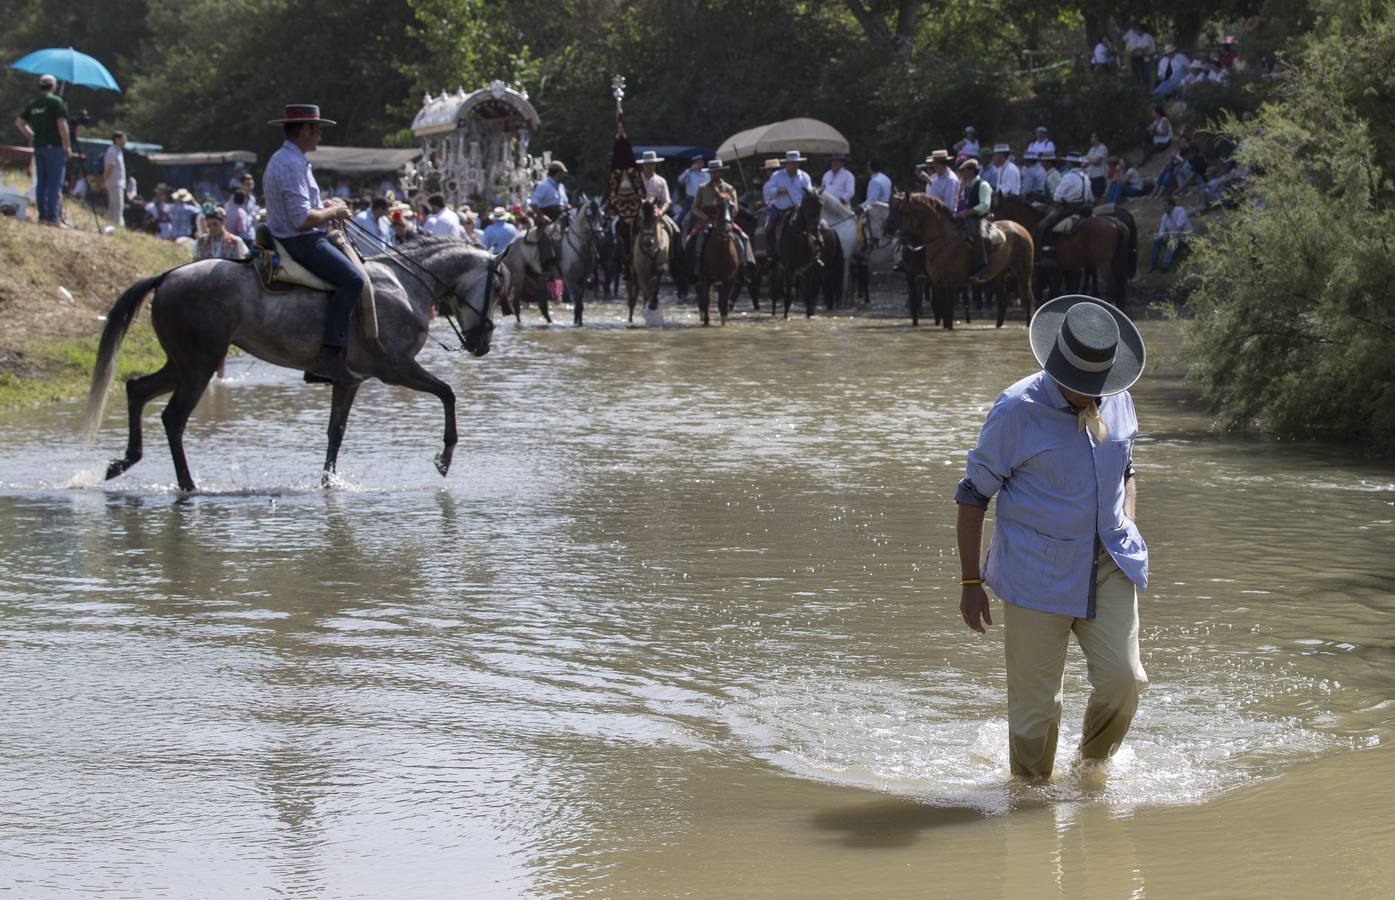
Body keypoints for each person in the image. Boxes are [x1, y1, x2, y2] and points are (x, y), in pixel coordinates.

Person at [956, 294, 1150, 781]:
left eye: (1096, 384)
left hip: (1107, 563)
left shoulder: (1119, 397)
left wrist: (1126, 519)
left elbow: (1127, 467)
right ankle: (1029, 800)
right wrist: (969, 583)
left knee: (1125, 681)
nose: (1090, 394)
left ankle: (1090, 769)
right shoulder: (1015, 410)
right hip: (1035, 573)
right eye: (1079, 384)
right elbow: (972, 495)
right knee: (1035, 712)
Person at [262, 103, 362, 381]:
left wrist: (324, 205)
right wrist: (336, 211)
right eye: (317, 130)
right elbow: (302, 220)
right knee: (353, 280)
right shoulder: (292, 164)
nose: (319, 135)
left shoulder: (283, 158)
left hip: (290, 235)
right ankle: (330, 356)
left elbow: (303, 207)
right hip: (300, 241)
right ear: (306, 130)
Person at [14, 74, 71, 227]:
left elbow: (19, 122)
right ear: (53, 86)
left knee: (42, 182)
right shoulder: (56, 101)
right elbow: (62, 124)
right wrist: (67, 145)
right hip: (54, 146)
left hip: (39, 147)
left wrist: (31, 135)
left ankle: (43, 216)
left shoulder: (34, 103)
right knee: (54, 182)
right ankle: (53, 217)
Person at [688, 158, 751, 275]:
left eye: (717, 171)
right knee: (695, 238)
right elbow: (695, 207)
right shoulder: (702, 188)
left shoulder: (729, 189)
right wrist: (704, 217)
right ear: (709, 173)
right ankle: (695, 265)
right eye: (712, 171)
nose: (714, 174)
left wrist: (727, 217)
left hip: (725, 220)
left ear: (721, 172)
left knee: (743, 237)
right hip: (707, 219)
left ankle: (743, 266)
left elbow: (735, 208)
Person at [1037, 153, 1093, 254]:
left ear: (1070, 164)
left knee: (1046, 225)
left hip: (1069, 208)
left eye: (1067, 163)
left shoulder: (1068, 176)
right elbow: (1089, 196)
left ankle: (1048, 249)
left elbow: (1057, 196)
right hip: (1084, 207)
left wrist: (1058, 201)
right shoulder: (1086, 176)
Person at [764, 150, 813, 254]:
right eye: (791, 163)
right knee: (769, 228)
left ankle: (817, 248)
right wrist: (777, 190)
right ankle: (771, 252)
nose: (793, 165)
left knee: (815, 225)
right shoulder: (777, 175)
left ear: (799, 163)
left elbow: (809, 194)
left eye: (795, 162)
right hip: (781, 209)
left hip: (800, 210)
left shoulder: (805, 177)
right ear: (786, 164)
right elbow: (768, 191)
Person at [957, 158, 992, 278]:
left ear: (971, 171)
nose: (961, 173)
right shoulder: (967, 186)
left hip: (980, 218)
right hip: (968, 217)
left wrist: (968, 212)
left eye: (963, 170)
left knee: (979, 235)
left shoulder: (983, 184)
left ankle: (983, 267)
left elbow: (985, 205)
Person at [1148, 196, 1192, 272]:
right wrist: (1163, 236)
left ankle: (1166, 266)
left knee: (1172, 241)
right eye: (1163, 205)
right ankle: (1153, 265)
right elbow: (1161, 232)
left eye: (1165, 205)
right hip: (1174, 238)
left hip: (1185, 238)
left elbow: (1179, 227)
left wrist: (1169, 235)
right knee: (1157, 241)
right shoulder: (1165, 217)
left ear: (1171, 206)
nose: (1163, 207)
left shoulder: (1180, 211)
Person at [102, 131, 128, 229]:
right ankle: (116, 227)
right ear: (117, 140)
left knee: (114, 207)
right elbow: (108, 168)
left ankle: (111, 226)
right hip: (114, 183)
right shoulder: (112, 151)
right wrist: (104, 181)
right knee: (117, 206)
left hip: (117, 183)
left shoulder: (118, 151)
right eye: (123, 139)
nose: (125, 141)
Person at [676, 154, 709, 225]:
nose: (700, 164)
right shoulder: (689, 173)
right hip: (691, 199)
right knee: (684, 212)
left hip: (704, 199)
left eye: (701, 162)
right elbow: (680, 180)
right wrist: (690, 170)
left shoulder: (706, 174)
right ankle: (677, 225)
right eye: (698, 162)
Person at [1122, 20, 1156, 86]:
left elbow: (1146, 48)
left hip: (1150, 59)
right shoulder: (1141, 38)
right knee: (1143, 75)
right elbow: (1138, 48)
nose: (1137, 32)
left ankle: (1149, 88)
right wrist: (1135, 50)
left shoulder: (1146, 36)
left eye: (1138, 30)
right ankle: (1143, 87)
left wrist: (1138, 50)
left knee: (1148, 76)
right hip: (1145, 59)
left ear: (1142, 30)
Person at [1084, 133, 1109, 199]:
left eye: (1092, 137)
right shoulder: (1091, 149)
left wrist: (1088, 160)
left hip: (1099, 177)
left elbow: (1097, 162)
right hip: (1091, 177)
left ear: (1097, 138)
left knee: (1099, 197)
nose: (1090, 139)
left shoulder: (1102, 148)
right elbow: (1085, 162)